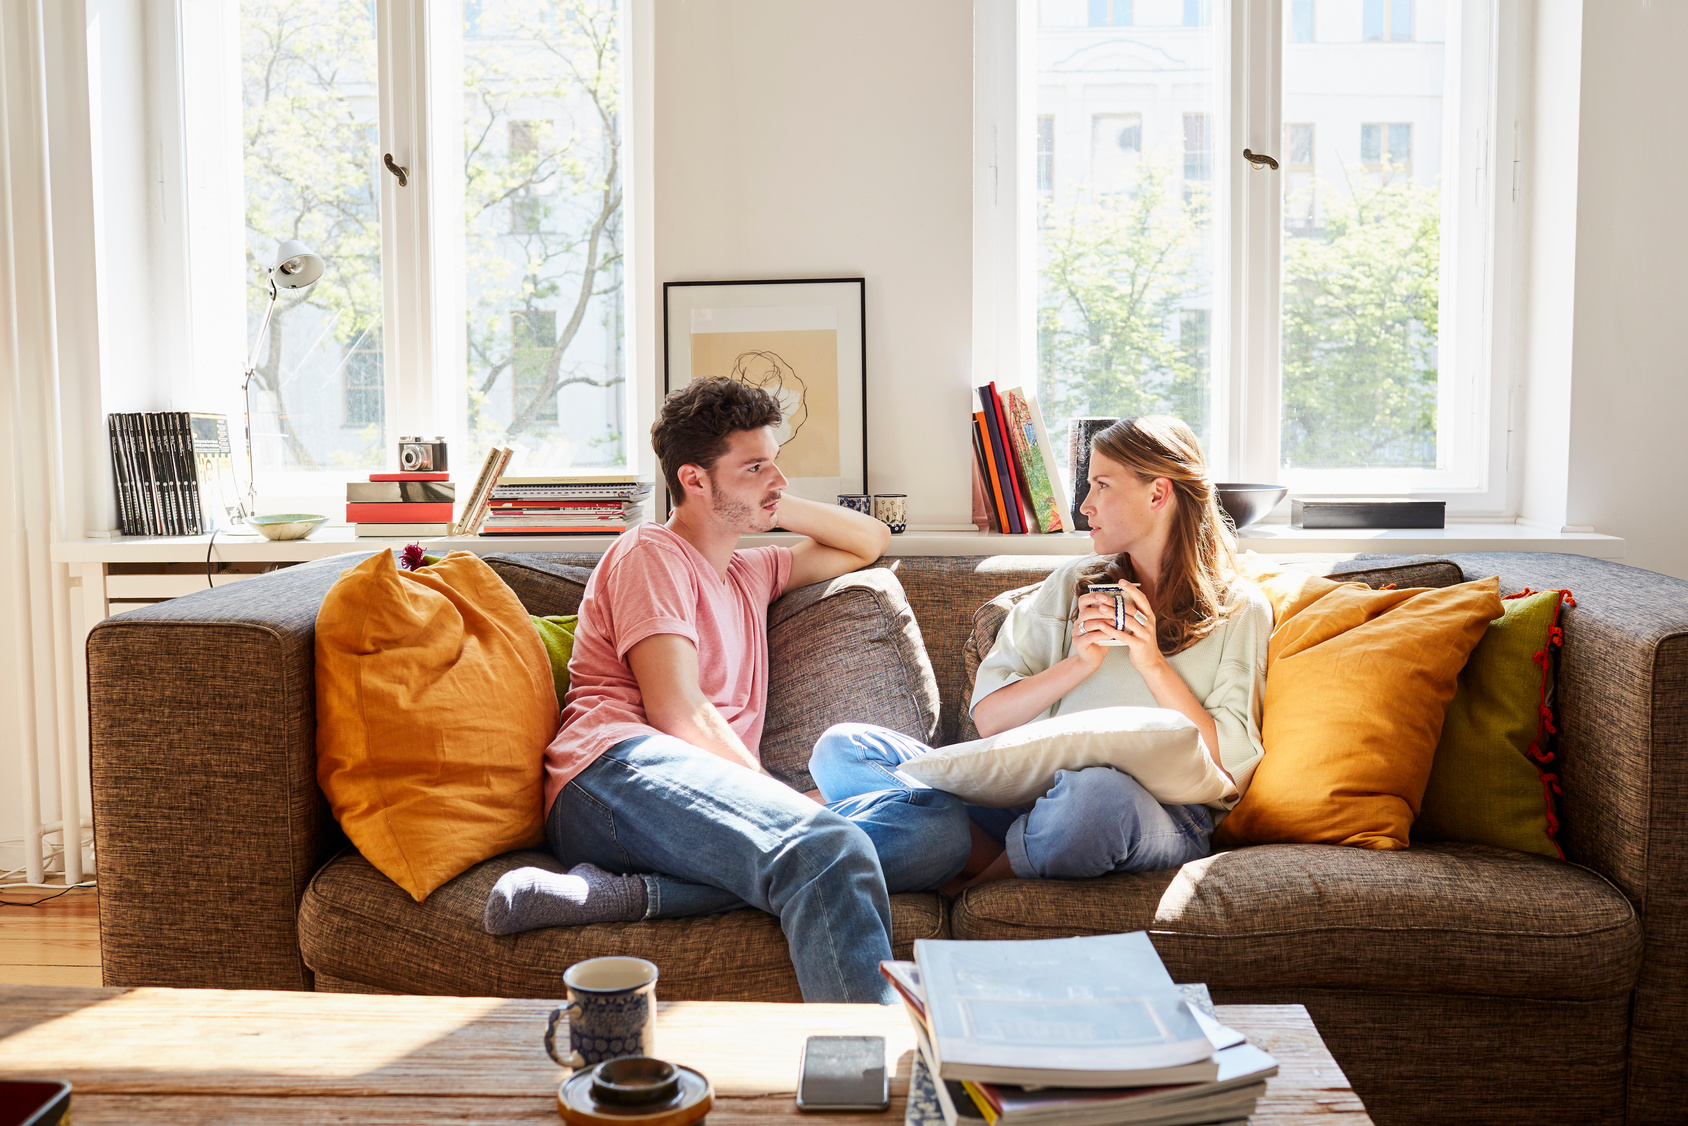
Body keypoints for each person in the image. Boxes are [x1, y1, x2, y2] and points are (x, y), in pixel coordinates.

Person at [484, 377, 971, 1004]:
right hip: (610, 778)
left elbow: (870, 540)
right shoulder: (649, 554)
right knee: (825, 849)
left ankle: (630, 895)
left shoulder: (751, 571)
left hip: (694, 794)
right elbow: (676, 708)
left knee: (939, 830)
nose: (780, 478)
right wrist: (783, 802)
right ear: (694, 479)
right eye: (755, 466)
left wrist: (763, 499)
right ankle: (859, 1067)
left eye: (776, 462)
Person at [810, 415, 1270, 886]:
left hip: (1154, 812)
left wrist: (1151, 663)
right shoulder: (1073, 584)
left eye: (1102, 486)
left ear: (1157, 494)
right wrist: (1079, 663)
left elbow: (1229, 769)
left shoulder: (1239, 608)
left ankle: (965, 878)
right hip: (1025, 796)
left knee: (1093, 799)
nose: (1085, 506)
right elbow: (989, 719)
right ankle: (966, 841)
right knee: (843, 748)